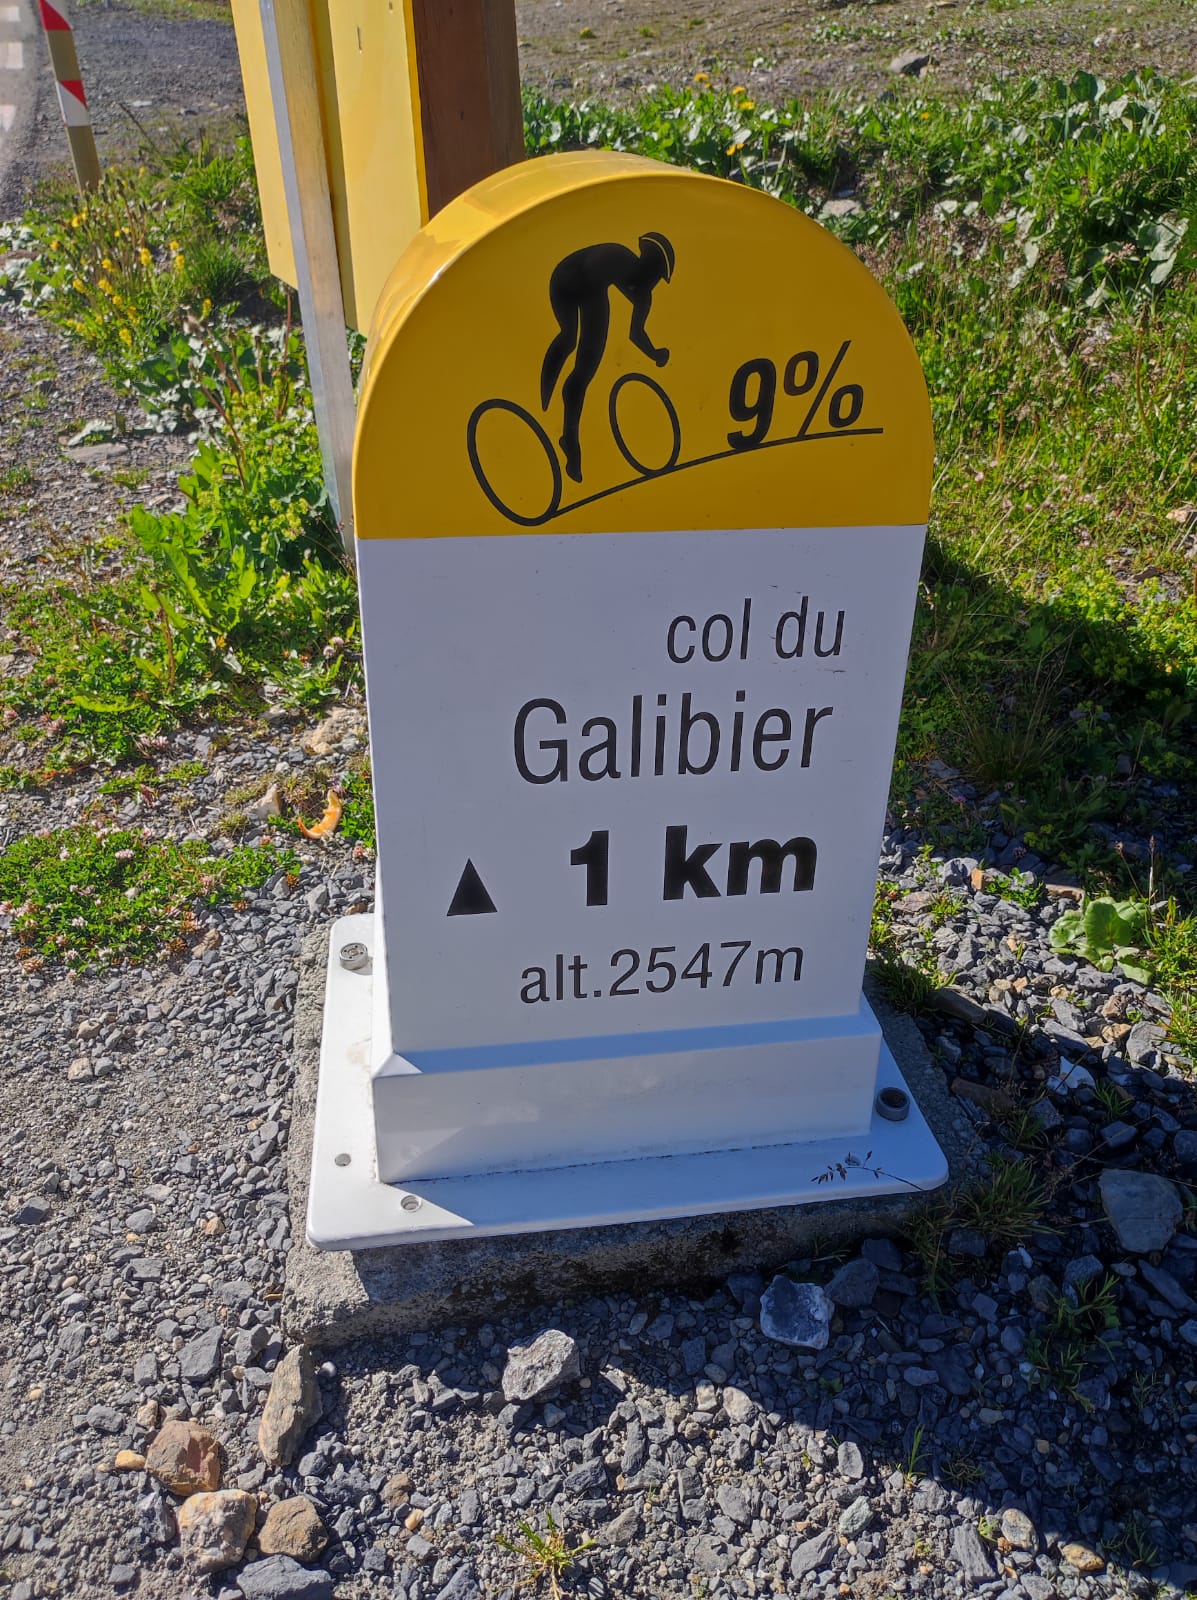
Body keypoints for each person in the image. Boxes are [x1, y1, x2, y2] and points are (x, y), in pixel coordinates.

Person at [539, 232, 675, 482]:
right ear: (646, 259)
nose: (652, 281)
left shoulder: (643, 294)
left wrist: (655, 353)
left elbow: (636, 334)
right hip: (570, 279)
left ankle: (570, 440)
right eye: (654, 271)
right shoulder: (617, 256)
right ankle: (550, 403)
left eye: (657, 278)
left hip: (590, 287)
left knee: (583, 368)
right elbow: (584, 273)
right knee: (570, 339)